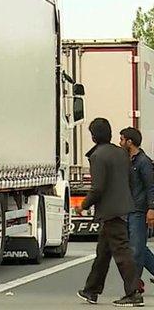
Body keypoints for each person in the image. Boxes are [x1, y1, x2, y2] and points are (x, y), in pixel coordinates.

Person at [75, 118, 143, 307]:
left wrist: (83, 205)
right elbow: (129, 180)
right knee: (103, 253)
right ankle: (91, 290)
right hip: (122, 207)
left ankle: (133, 292)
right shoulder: (121, 153)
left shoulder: (98, 156)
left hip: (110, 210)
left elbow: (97, 188)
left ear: (94, 136)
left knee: (122, 253)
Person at [119, 127, 154, 291]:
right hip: (128, 210)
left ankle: (134, 287)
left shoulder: (143, 162)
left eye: (122, 139)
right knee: (137, 247)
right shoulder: (128, 160)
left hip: (139, 211)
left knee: (136, 251)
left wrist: (151, 208)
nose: (120, 142)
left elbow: (150, 187)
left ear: (130, 142)